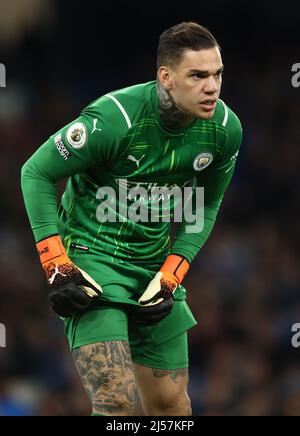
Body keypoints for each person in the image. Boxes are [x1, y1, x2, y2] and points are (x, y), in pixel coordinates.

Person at [21, 21, 242, 416]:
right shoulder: (115, 118)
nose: (212, 87)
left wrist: (173, 272)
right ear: (166, 77)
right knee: (116, 401)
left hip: (154, 270)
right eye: (198, 75)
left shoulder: (224, 130)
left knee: (173, 408)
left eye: (217, 74)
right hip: (93, 262)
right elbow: (35, 172)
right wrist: (56, 264)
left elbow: (205, 205)